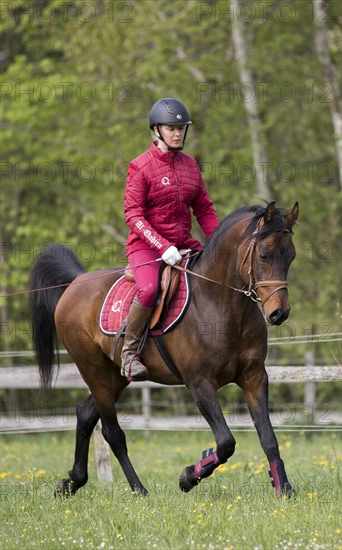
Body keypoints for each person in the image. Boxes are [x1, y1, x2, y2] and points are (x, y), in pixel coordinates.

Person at [122, 98, 220, 380]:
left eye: (181, 128)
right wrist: (163, 247)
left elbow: (204, 209)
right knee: (150, 289)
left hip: (185, 245)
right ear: (157, 130)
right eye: (171, 128)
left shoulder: (190, 165)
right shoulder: (140, 166)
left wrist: (220, 244)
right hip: (147, 248)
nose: (177, 133)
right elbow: (133, 215)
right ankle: (129, 355)